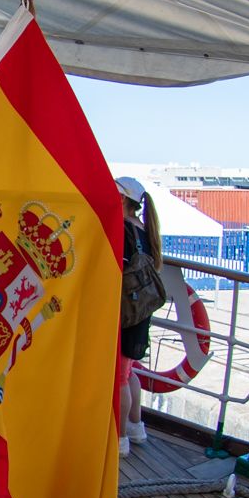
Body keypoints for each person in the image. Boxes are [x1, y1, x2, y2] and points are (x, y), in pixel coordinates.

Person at [116, 175, 163, 457]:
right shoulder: (144, 230)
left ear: (121, 199)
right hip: (141, 312)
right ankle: (136, 425)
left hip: (124, 312)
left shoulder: (122, 231)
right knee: (130, 370)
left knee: (119, 378)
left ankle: (120, 439)